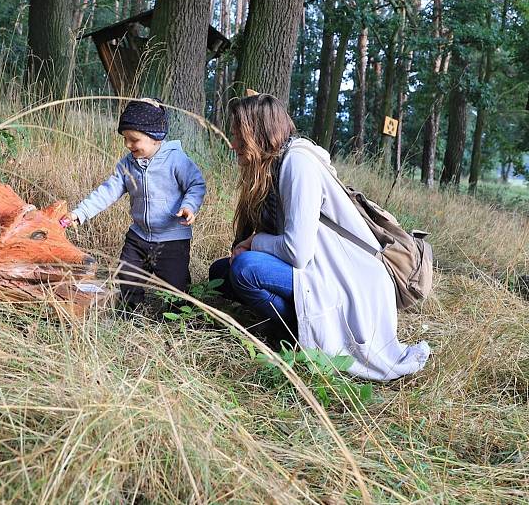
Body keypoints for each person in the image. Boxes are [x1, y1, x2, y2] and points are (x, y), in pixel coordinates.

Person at [209, 92, 430, 381]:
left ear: (260, 134)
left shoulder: (298, 164)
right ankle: (299, 323)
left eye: (240, 136)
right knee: (221, 272)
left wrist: (253, 243)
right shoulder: (272, 166)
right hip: (318, 272)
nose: (234, 144)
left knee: (245, 269)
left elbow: (296, 251)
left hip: (348, 282)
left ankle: (296, 337)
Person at [61, 98, 207, 308]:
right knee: (126, 275)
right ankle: (132, 311)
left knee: (175, 285)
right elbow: (107, 191)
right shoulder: (128, 164)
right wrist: (80, 213)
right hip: (138, 236)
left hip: (171, 239)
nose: (128, 145)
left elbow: (196, 184)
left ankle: (179, 317)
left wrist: (189, 206)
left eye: (134, 139)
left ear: (156, 137)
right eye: (125, 139)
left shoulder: (176, 160)